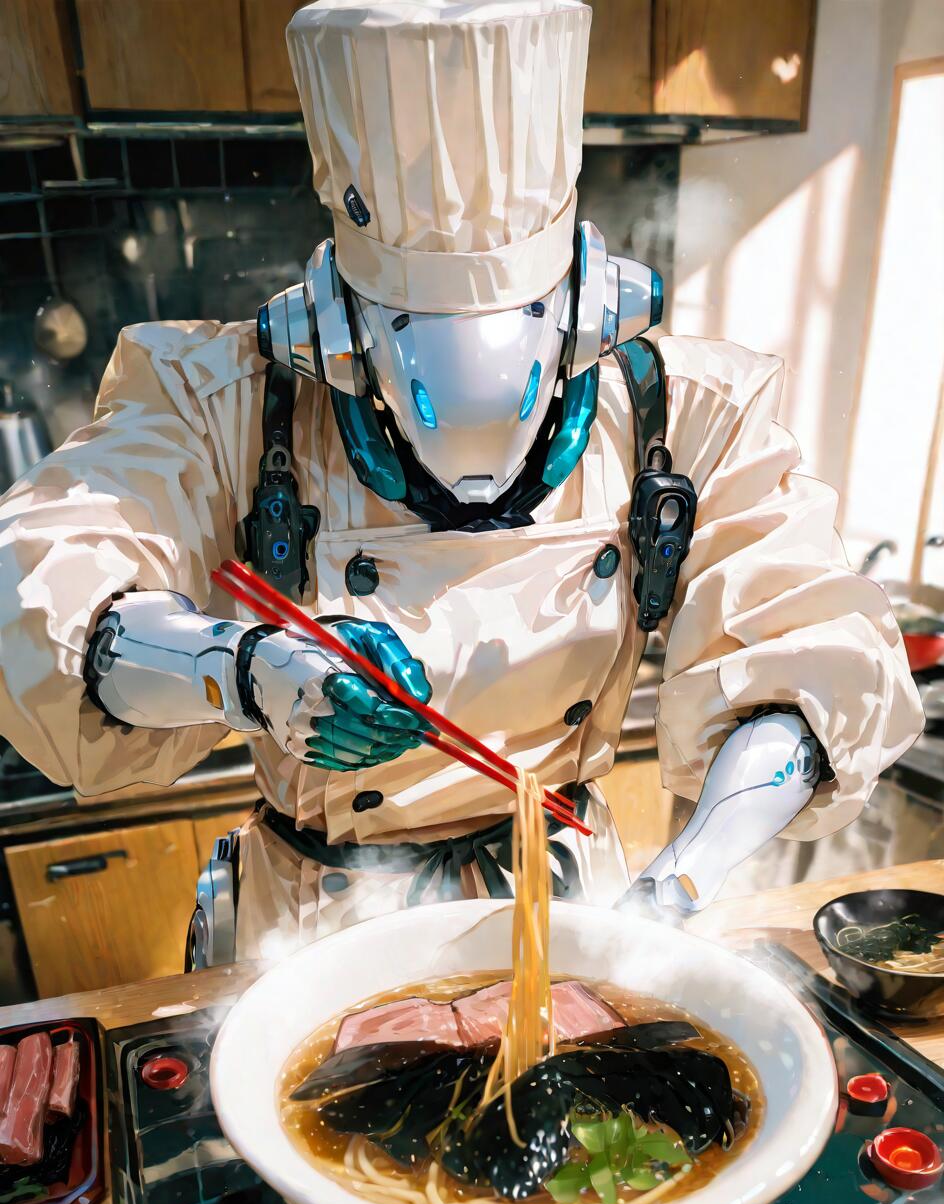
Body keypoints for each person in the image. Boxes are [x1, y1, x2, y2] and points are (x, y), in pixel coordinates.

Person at [0, 0, 923, 961]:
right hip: (314, 924)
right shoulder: (226, 401)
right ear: (336, 336)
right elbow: (40, 578)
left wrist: (684, 879)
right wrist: (247, 670)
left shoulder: (681, 410)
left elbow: (819, 647)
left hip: (572, 903)